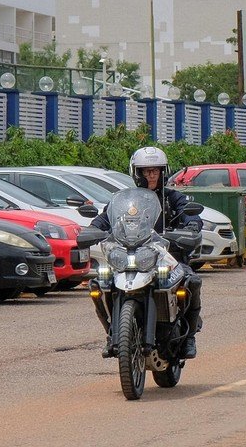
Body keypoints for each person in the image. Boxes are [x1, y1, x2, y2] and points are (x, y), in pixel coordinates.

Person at [91, 146, 204, 359]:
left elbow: (191, 216)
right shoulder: (125, 200)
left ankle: (189, 337)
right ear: (137, 173)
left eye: (156, 170)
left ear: (163, 171)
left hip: (166, 254)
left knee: (192, 281)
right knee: (101, 283)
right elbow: (105, 218)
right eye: (146, 171)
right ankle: (113, 334)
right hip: (131, 253)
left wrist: (191, 227)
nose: (151, 175)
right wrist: (93, 228)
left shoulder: (173, 198)